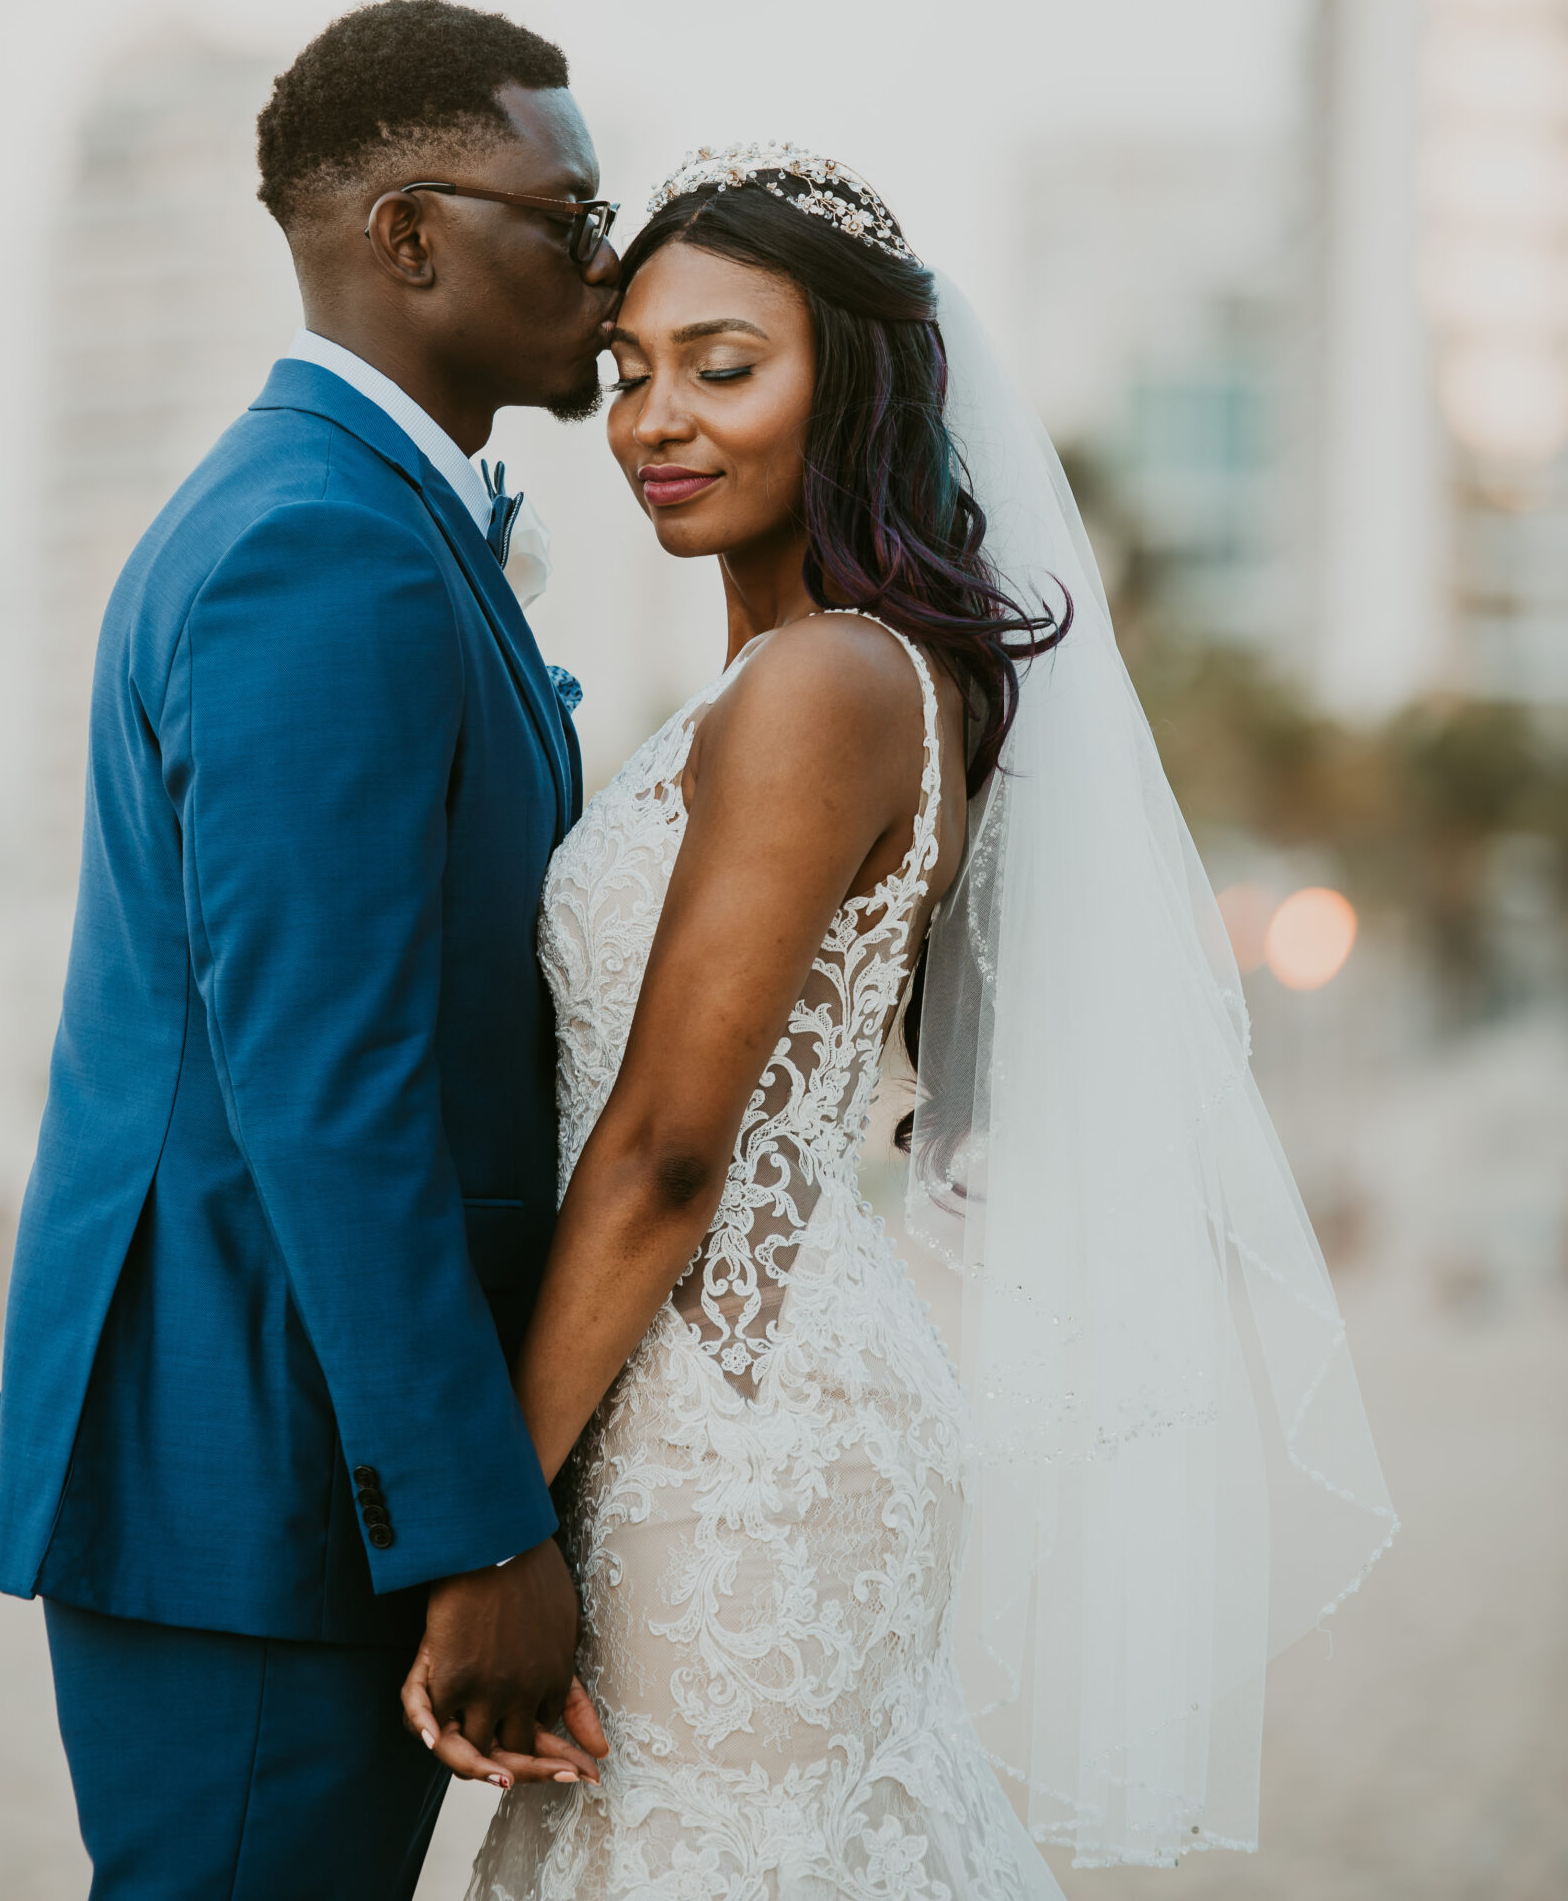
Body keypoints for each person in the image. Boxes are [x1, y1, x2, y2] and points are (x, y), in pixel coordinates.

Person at [412, 146, 1397, 1895]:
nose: (656, 417)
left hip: (727, 1415)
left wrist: (485, 1512)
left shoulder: (825, 683)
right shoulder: (814, 678)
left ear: (846, 382)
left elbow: (663, 1150)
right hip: (729, 1378)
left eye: (725, 365)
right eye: (631, 369)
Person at [0, 0, 616, 1899]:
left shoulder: (361, 513)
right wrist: (473, 1533)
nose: (606, 257)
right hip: (268, 1463)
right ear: (408, 236)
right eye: (565, 214)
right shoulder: (315, 543)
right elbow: (325, 1084)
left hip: (288, 1443)